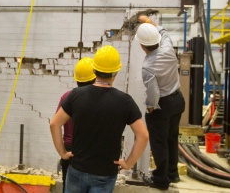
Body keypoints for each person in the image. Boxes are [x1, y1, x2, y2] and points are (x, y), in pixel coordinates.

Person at [50, 45, 149, 193]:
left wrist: (63, 153)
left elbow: (54, 124)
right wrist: (128, 163)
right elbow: (143, 135)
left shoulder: (75, 95)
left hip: (78, 169)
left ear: (94, 70)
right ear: (115, 72)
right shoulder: (125, 101)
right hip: (105, 172)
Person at [135, 16, 186, 190]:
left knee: (159, 142)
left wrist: (150, 109)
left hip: (163, 105)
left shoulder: (148, 66)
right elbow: (163, 32)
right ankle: (173, 173)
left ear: (141, 45)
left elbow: (153, 93)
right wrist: (149, 22)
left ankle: (161, 180)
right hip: (178, 100)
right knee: (172, 138)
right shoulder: (168, 47)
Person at [55, 57, 97, 192]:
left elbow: (55, 123)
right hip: (90, 149)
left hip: (69, 148)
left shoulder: (67, 97)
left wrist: (62, 152)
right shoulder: (99, 99)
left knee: (68, 186)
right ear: (95, 78)